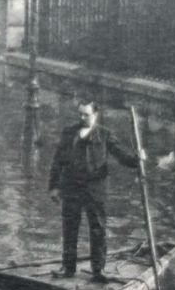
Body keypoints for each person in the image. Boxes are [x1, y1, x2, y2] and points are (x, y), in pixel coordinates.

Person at [47, 100, 144, 280]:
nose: (83, 118)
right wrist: (53, 186)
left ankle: (98, 271)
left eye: (87, 114)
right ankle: (68, 268)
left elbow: (121, 156)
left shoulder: (105, 135)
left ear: (96, 114)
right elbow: (57, 161)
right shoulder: (69, 133)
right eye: (81, 114)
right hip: (71, 187)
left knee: (98, 229)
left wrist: (136, 160)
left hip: (94, 189)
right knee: (69, 229)